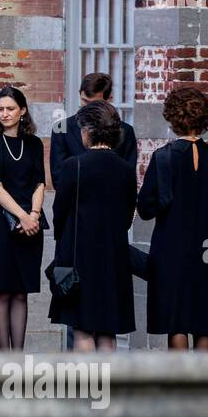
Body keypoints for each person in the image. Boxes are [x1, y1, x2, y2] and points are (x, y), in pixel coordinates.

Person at [136, 88, 208, 350]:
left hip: (171, 245)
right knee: (205, 320)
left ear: (172, 118)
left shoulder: (164, 157)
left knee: (177, 320)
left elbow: (146, 208)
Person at [49, 101, 137, 350]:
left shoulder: (73, 165)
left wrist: (62, 239)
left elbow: (60, 212)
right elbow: (129, 211)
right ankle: (106, 387)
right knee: (108, 330)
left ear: (87, 131)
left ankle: (85, 387)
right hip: (113, 254)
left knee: (82, 329)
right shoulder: (126, 170)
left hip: (79, 253)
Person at [0, 86, 45, 350]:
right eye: (0, 109)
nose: (4, 114)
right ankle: (5, 359)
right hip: (0, 223)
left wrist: (34, 215)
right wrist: (22, 216)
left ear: (23, 111)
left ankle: (19, 357)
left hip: (31, 221)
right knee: (3, 291)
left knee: (21, 292)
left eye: (10, 109)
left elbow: (40, 182)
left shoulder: (35, 143)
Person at [50, 72, 139, 195]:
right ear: (79, 94)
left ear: (109, 100)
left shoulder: (125, 130)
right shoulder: (61, 128)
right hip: (75, 205)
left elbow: (128, 176)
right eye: (85, 101)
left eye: (94, 103)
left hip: (111, 202)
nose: (88, 107)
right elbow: (58, 177)